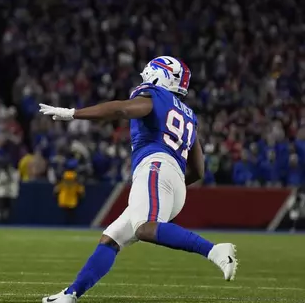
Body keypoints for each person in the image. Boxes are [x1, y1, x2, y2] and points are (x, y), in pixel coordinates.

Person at [38, 56, 239, 303]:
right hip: (174, 181)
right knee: (111, 239)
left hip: (156, 169)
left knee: (145, 228)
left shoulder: (154, 95)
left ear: (159, 73)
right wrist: (170, 186)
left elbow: (122, 109)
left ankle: (214, 250)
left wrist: (73, 114)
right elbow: (198, 170)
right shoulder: (189, 114)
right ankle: (70, 295)